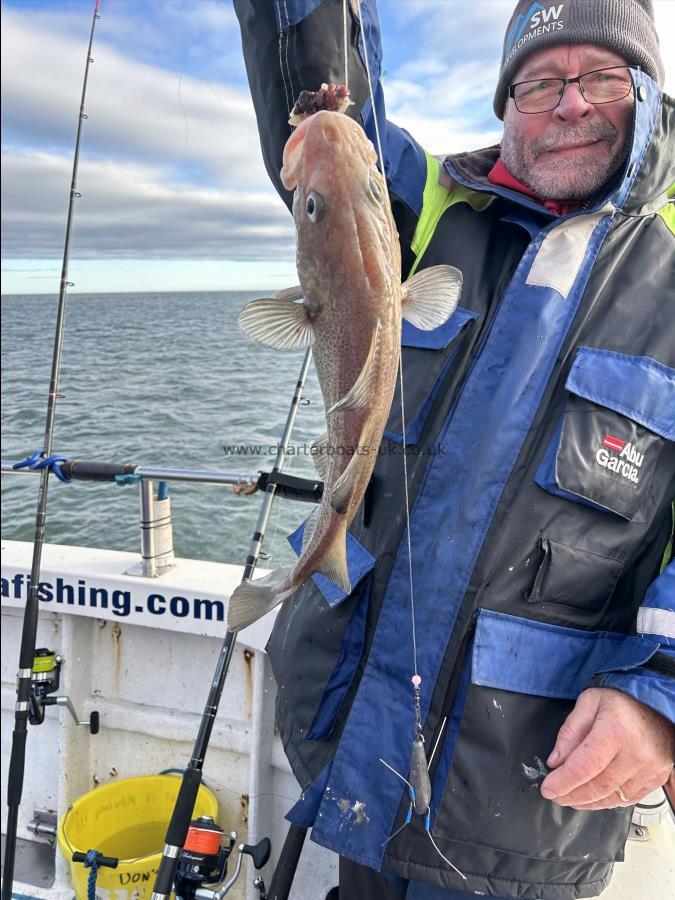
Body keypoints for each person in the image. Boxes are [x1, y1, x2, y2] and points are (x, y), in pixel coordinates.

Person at [234, 1, 675, 897]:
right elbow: (324, 101)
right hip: (350, 741)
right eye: (537, 80)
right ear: (503, 101)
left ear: (651, 95)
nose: (566, 102)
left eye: (600, 77)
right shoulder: (422, 206)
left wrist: (663, 691)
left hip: (527, 798)